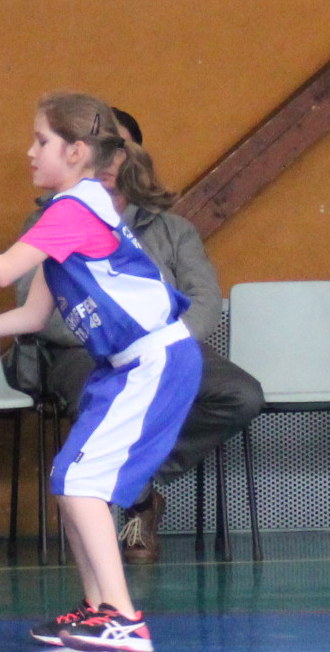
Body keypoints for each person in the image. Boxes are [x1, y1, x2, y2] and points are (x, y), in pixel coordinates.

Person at [0, 93, 199, 652]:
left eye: (41, 141)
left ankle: (123, 618)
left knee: (81, 485)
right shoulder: (71, 211)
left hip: (153, 360)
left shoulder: (76, 207)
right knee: (68, 478)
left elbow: (2, 269)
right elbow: (33, 316)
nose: (30, 152)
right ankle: (99, 609)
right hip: (125, 365)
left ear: (76, 151)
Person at [21, 109, 263, 563]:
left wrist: (159, 341)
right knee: (97, 400)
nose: (108, 158)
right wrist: (112, 336)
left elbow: (206, 300)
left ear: (133, 157)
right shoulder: (51, 220)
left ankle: (140, 483)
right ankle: (127, 505)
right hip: (86, 352)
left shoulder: (174, 230)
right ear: (77, 154)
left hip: (168, 346)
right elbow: (36, 312)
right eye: (98, 147)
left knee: (242, 395)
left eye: (119, 147)